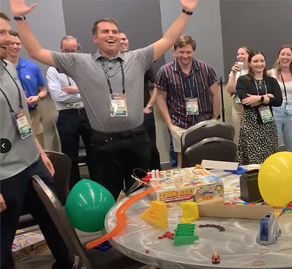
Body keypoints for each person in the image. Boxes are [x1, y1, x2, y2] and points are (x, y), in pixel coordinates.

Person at [9, 0, 198, 199]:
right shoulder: (78, 62)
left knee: (143, 196)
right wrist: (20, 18)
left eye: (114, 32)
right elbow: (36, 52)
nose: (111, 35)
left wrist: (186, 11)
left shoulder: (137, 58)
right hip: (103, 143)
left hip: (137, 140)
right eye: (105, 31)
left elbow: (168, 40)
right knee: (108, 197)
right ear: (95, 38)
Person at [0, 12, 74, 269]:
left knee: (54, 220)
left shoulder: (9, 68)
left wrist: (40, 150)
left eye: (8, 32)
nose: (8, 39)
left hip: (32, 162)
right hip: (4, 173)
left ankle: (66, 264)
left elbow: (21, 119)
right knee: (3, 240)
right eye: (1, 34)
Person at [156, 35, 220, 167]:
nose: (185, 55)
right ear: (175, 52)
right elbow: (161, 99)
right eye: (181, 52)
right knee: (181, 165)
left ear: (193, 52)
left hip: (204, 122)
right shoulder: (165, 72)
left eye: (188, 52)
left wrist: (215, 117)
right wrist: (170, 124)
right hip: (179, 123)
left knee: (206, 161)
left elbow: (215, 94)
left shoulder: (206, 69)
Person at [46, 35, 98, 188]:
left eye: (72, 50)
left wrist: (74, 90)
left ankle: (98, 186)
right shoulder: (53, 69)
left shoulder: (86, 66)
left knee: (95, 153)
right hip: (67, 117)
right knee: (70, 156)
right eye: (65, 50)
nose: (69, 54)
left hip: (87, 114)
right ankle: (74, 189)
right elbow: (57, 95)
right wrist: (82, 93)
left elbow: (94, 91)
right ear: (60, 50)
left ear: (78, 49)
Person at [119, 32, 161, 170]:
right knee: (129, 152)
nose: (123, 42)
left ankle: (157, 180)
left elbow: (157, 86)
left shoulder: (140, 61)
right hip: (123, 116)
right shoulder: (109, 66)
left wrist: (149, 106)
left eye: (124, 38)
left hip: (144, 113)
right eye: (119, 40)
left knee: (151, 149)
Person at [236, 50, 283, 165]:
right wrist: (268, 97)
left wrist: (259, 98)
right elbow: (246, 103)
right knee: (253, 158)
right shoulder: (243, 80)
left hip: (268, 124)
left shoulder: (271, 81)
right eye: (255, 61)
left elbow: (278, 101)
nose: (259, 64)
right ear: (250, 63)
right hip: (250, 124)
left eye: (262, 61)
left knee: (270, 156)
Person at [6, 30, 46, 148]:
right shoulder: (2, 69)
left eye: (18, 44)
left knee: (38, 148)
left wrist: (37, 97)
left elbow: (43, 90)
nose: (15, 47)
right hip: (9, 119)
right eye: (11, 44)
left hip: (32, 114)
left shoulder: (32, 67)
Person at [268, 45, 292, 152]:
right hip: (275, 111)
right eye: (282, 54)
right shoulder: (270, 73)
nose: (285, 57)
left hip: (291, 111)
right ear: (278, 57)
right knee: (273, 144)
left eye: (288, 55)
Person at [225, 46, 253, 144]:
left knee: (252, 136)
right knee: (239, 136)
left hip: (252, 107)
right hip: (238, 108)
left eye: (242, 54)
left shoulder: (254, 70)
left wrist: (238, 90)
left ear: (249, 56)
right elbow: (229, 89)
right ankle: (240, 158)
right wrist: (233, 73)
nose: (239, 56)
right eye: (238, 54)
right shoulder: (235, 71)